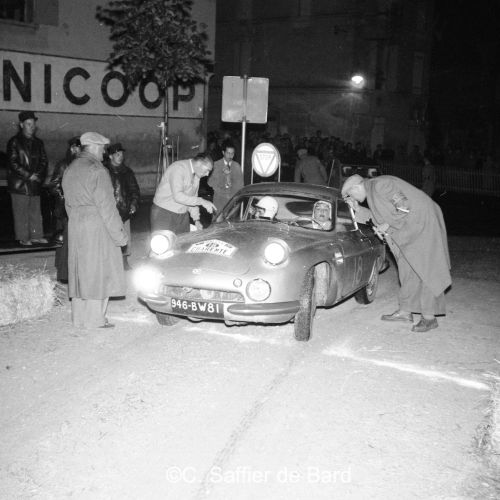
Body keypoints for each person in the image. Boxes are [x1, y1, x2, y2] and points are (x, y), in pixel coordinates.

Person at [342, 174, 451, 333]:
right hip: (410, 229)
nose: (354, 199)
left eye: (351, 195)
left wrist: (387, 225)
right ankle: (406, 311)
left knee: (425, 269)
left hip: (423, 225)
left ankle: (429, 318)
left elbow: (404, 206)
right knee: (407, 269)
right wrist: (357, 209)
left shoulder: (381, 185)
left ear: (356, 187)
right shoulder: (373, 193)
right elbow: (379, 217)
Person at [62, 132, 127, 329]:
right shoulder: (97, 170)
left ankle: (79, 319)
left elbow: (67, 204)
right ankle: (95, 319)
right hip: (96, 224)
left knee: (80, 270)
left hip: (75, 223)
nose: (104, 154)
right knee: (99, 270)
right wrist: (119, 235)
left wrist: (76, 219)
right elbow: (107, 207)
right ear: (95, 147)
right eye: (102, 149)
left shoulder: (70, 168)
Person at [6, 110, 48, 246]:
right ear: (21, 124)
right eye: (29, 124)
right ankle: (23, 237)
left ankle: (36, 236)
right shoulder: (14, 141)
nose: (32, 127)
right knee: (21, 212)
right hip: (20, 184)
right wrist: (29, 175)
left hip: (34, 183)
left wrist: (37, 176)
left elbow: (44, 161)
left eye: (33, 124)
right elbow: (12, 162)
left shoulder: (39, 143)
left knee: (35, 211)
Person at [151, 153, 216, 234]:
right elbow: (178, 196)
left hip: (182, 214)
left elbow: (192, 198)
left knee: (184, 240)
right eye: (207, 170)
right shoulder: (179, 168)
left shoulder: (196, 176)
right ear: (199, 163)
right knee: (164, 240)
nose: (207, 174)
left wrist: (196, 219)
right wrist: (202, 201)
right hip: (164, 213)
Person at [49, 136, 82, 282]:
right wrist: (66, 199)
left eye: (81, 147)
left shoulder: (82, 164)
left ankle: (76, 273)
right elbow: (54, 185)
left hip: (78, 209)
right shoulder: (64, 164)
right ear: (72, 148)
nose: (79, 150)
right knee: (65, 244)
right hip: (65, 210)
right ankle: (63, 275)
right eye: (77, 147)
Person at [104, 143, 140, 271]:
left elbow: (134, 189)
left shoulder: (127, 171)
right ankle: (110, 263)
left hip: (124, 210)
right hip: (108, 210)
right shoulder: (104, 171)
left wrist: (134, 203)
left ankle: (124, 261)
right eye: (117, 154)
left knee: (125, 237)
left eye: (122, 154)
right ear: (110, 156)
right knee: (108, 238)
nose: (120, 157)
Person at [207, 141, 244, 213]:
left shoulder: (237, 166)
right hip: (219, 200)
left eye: (232, 153)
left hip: (232, 201)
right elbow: (210, 182)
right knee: (217, 219)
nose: (230, 156)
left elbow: (240, 185)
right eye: (228, 153)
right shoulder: (216, 165)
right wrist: (223, 175)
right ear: (223, 152)